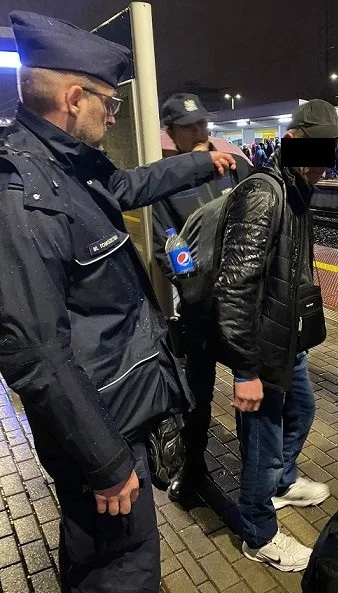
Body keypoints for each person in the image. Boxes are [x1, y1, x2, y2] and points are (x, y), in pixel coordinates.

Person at [0, 11, 235, 593]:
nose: (113, 115)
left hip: (107, 409)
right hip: (97, 427)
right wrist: (105, 460)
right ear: (74, 98)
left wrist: (201, 161)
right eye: (109, 103)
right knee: (122, 569)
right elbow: (35, 353)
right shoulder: (26, 196)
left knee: (105, 556)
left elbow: (126, 187)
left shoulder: (65, 163)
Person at [211, 99, 338, 571]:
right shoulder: (265, 193)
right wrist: (245, 370)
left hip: (286, 341)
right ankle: (258, 533)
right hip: (262, 349)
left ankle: (280, 483)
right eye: (318, 149)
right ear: (292, 142)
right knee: (263, 440)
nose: (326, 161)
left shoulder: (296, 191)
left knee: (303, 409)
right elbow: (234, 287)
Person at [152, 93, 252, 500]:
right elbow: (166, 245)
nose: (198, 132)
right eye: (187, 126)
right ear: (171, 133)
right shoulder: (166, 180)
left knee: (250, 384)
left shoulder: (236, 167)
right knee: (197, 391)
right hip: (199, 305)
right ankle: (194, 466)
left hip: (243, 302)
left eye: (202, 124)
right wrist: (193, 288)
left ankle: (256, 472)